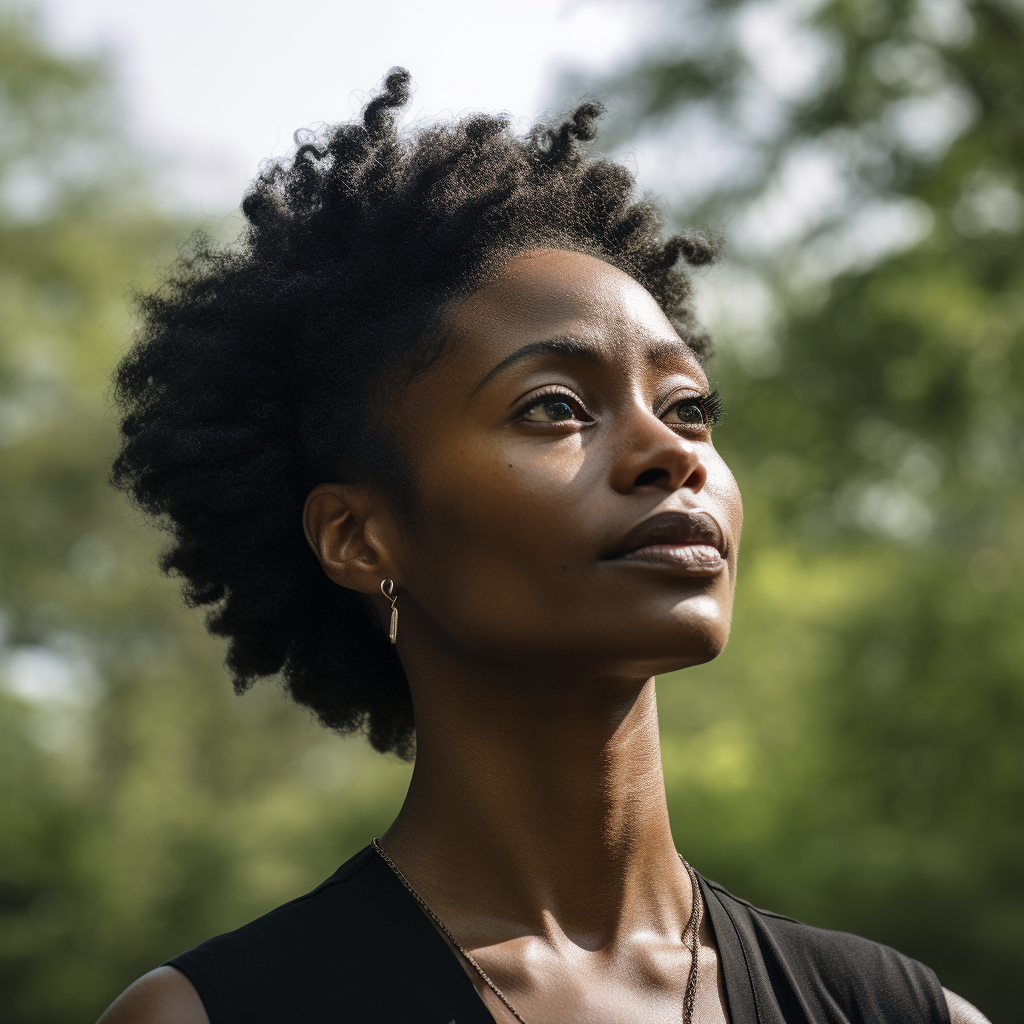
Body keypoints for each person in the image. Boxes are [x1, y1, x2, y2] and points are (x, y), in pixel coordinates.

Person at [97, 69, 987, 1024]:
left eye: (689, 407)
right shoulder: (213, 1016)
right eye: (555, 407)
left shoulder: (903, 1011)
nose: (670, 453)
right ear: (360, 537)